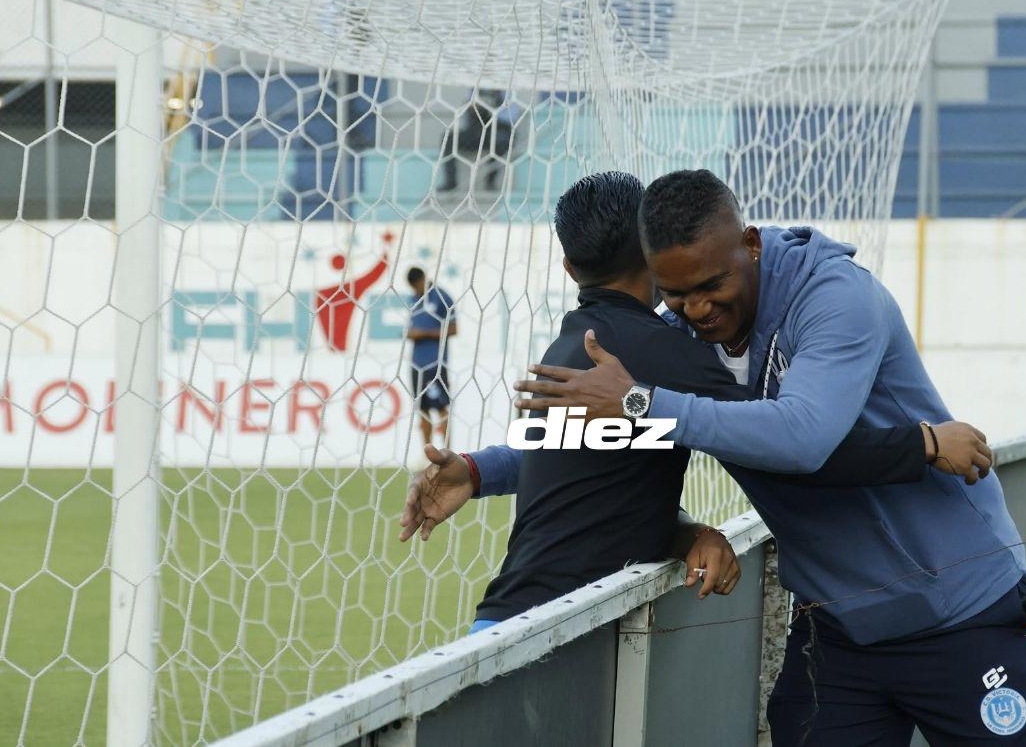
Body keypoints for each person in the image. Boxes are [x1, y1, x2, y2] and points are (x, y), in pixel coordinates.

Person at [512, 169, 1026, 745]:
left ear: (750, 244)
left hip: (961, 615)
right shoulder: (677, 340)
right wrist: (477, 471)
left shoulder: (836, 296)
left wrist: (642, 401)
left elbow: (803, 437)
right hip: (838, 629)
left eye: (711, 283)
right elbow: (593, 438)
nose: (696, 309)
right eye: (676, 293)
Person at [400, 172, 994, 639]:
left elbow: (580, 455)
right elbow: (804, 447)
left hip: (499, 626)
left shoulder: (573, 348)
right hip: (574, 638)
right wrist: (924, 443)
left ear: (567, 267)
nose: (698, 307)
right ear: (653, 254)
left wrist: (479, 471)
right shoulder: (666, 354)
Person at [405, 266, 456, 450]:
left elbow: (453, 329)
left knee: (441, 407)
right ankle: (428, 454)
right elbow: (411, 328)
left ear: (423, 279)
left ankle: (448, 452)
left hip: (436, 364)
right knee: (423, 409)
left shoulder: (441, 297)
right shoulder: (413, 300)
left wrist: (424, 333)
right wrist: (411, 334)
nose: (416, 290)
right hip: (416, 363)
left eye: (417, 286)